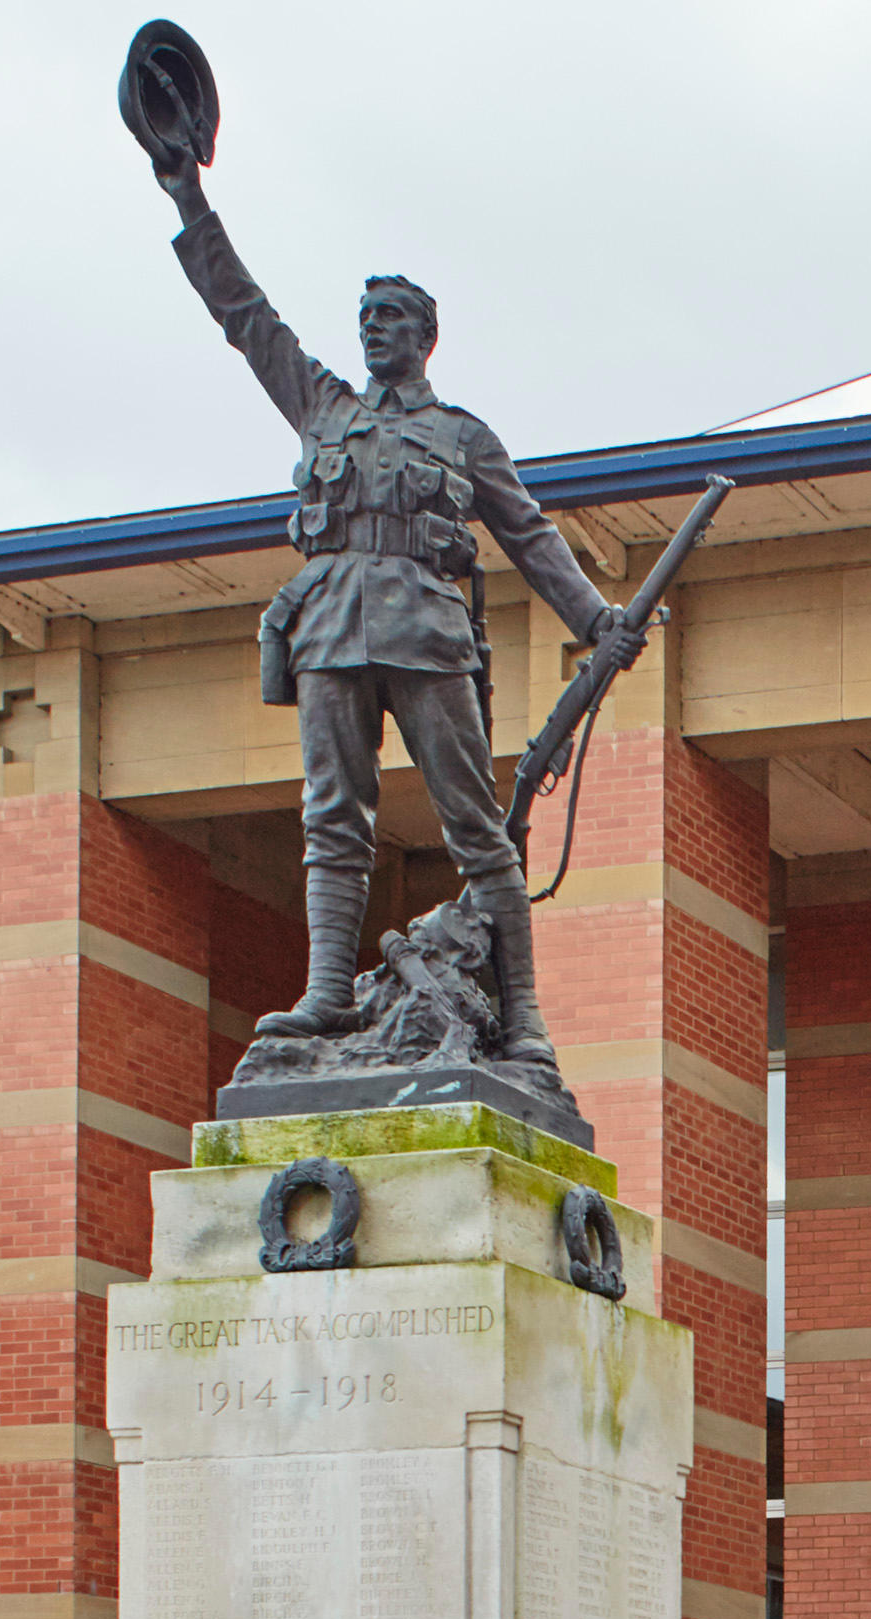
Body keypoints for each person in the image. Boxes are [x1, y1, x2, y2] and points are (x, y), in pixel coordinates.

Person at [149, 145, 639, 1063]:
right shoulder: (323, 407)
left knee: (477, 825)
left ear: (425, 337)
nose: (375, 330)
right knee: (332, 815)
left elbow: (530, 535)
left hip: (426, 633)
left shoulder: (463, 436)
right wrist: (188, 197)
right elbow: (245, 317)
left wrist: (593, 619)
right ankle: (329, 994)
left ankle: (524, 1017)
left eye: (393, 318)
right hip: (329, 627)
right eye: (367, 317)